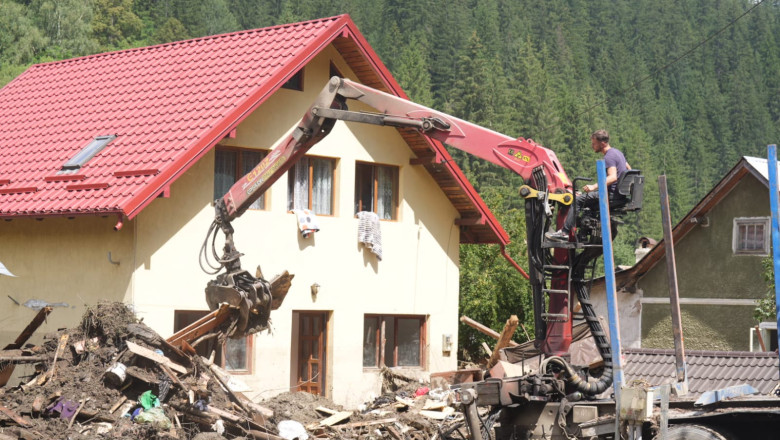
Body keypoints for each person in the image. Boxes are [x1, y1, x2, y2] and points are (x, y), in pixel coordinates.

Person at [545, 129, 630, 242]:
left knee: (578, 200)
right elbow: (629, 169)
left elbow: (613, 176)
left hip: (611, 195)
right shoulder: (618, 153)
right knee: (586, 200)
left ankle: (564, 233)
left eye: (594, 143)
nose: (592, 146)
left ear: (602, 143)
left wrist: (593, 186)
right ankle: (583, 233)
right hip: (619, 194)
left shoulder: (609, 157)